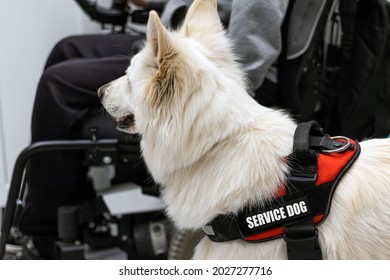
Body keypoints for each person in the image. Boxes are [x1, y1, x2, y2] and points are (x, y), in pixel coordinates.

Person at [17, 0, 289, 259]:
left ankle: (42, 236)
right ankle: (71, 213)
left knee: (56, 86)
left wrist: (219, 89)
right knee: (66, 49)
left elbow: (256, 28)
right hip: (183, 47)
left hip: (204, 77)